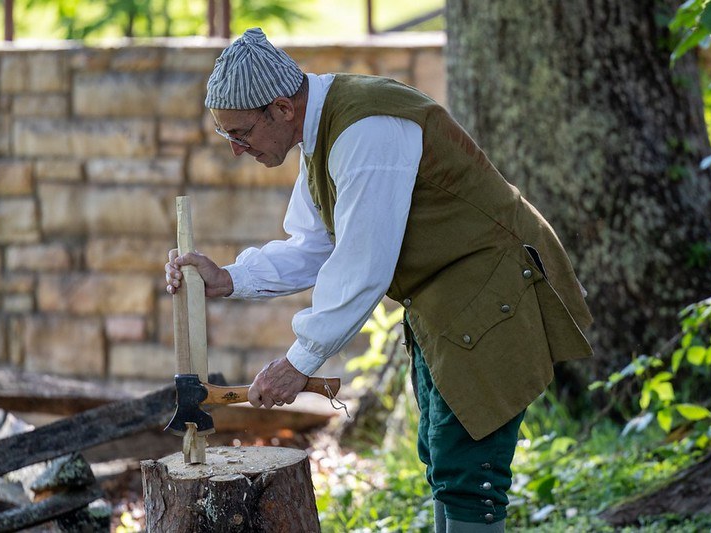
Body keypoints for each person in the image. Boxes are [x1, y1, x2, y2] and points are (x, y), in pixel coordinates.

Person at [165, 27, 593, 533]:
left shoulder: (366, 132)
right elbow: (315, 244)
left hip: (494, 287)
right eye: (228, 135)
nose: (237, 149)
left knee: (470, 470)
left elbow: (363, 265)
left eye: (240, 133)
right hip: (444, 302)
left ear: (281, 108)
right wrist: (228, 278)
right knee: (443, 458)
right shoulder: (320, 133)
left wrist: (299, 362)